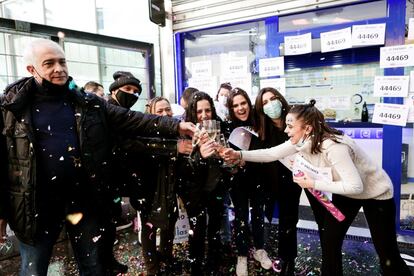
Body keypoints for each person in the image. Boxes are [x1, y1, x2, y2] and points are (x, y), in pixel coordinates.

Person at [0, 38, 195, 276]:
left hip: (85, 202)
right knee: (33, 270)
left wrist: (175, 127)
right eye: (49, 63)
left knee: (94, 267)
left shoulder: (87, 102)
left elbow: (131, 119)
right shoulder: (11, 109)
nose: (59, 68)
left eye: (62, 61)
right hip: (36, 208)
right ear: (32, 69)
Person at [223, 100, 412, 276]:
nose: (287, 131)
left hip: (375, 193)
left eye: (290, 126)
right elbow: (270, 153)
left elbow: (356, 185)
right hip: (345, 191)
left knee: (387, 254)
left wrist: (312, 183)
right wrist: (239, 154)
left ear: (307, 128)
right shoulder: (301, 140)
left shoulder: (333, 146)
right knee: (330, 239)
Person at [131, 96, 192, 275]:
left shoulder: (176, 132)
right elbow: (146, 149)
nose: (165, 114)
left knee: (169, 224)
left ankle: (166, 256)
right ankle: (152, 267)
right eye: (160, 111)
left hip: (170, 188)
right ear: (151, 114)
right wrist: (174, 149)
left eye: (168, 110)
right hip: (149, 189)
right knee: (150, 227)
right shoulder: (143, 133)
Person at [176, 91, 226, 275]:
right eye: (199, 111)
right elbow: (182, 168)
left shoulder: (219, 127)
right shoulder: (184, 131)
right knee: (197, 230)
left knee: (215, 227)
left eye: (207, 110)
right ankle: (196, 265)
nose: (204, 115)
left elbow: (225, 163)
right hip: (193, 191)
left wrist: (224, 156)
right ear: (192, 112)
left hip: (215, 187)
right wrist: (200, 157)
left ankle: (214, 261)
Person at [253, 87, 302, 275]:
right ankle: (268, 252)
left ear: (280, 100)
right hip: (270, 180)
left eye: (273, 99)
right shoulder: (262, 126)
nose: (270, 104)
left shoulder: (295, 121)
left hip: (294, 178)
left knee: (289, 221)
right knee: (269, 219)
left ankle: (288, 259)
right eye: (265, 102)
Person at [225, 88, 273, 276]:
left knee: (259, 215)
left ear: (249, 103)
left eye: (243, 103)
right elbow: (224, 157)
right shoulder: (227, 127)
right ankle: (242, 255)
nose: (240, 108)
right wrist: (233, 162)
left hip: (259, 179)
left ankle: (260, 250)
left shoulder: (260, 122)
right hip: (238, 182)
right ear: (231, 108)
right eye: (235, 105)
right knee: (241, 218)